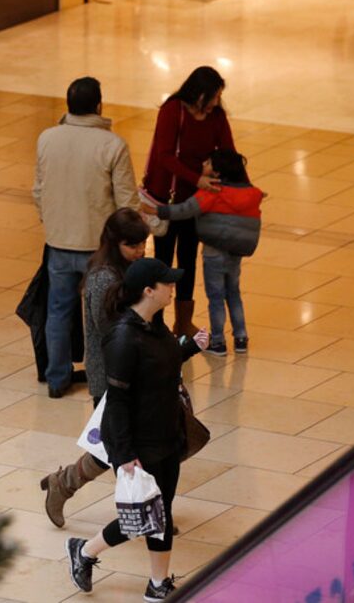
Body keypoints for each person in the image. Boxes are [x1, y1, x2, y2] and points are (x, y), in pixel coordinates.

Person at [66, 258, 209, 602]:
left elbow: (162, 362)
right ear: (149, 291)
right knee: (145, 515)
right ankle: (85, 551)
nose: (172, 288)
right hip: (138, 444)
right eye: (167, 284)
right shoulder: (123, 337)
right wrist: (125, 453)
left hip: (166, 435)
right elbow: (116, 401)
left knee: (160, 512)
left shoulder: (155, 326)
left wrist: (189, 347)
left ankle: (157, 584)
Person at [40, 209, 150, 528]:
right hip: (113, 376)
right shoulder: (105, 277)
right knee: (120, 448)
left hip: (131, 371)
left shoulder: (127, 269)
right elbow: (112, 330)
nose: (141, 250)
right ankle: (143, 510)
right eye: (134, 244)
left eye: (143, 243)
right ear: (116, 242)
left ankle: (65, 484)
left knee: (121, 445)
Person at [33, 77, 140, 399]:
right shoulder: (112, 145)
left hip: (58, 242)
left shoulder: (46, 138)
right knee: (102, 318)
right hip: (99, 248)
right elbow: (126, 202)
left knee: (58, 312)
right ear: (99, 105)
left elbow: (39, 190)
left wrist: (51, 222)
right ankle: (108, 378)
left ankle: (56, 379)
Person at [142, 66, 235, 338]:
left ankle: (183, 322)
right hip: (168, 198)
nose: (218, 102)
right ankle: (155, 320)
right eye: (215, 96)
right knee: (162, 259)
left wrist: (243, 187)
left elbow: (229, 153)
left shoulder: (216, 117)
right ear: (200, 94)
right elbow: (165, 155)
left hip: (196, 202)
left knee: (187, 260)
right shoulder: (173, 111)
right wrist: (197, 179)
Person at [153, 149, 261, 356]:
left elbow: (184, 210)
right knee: (234, 294)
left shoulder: (212, 191)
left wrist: (156, 211)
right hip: (235, 254)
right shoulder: (251, 193)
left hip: (214, 252)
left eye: (209, 162)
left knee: (216, 297)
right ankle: (240, 338)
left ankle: (218, 342)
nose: (204, 163)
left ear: (217, 173)